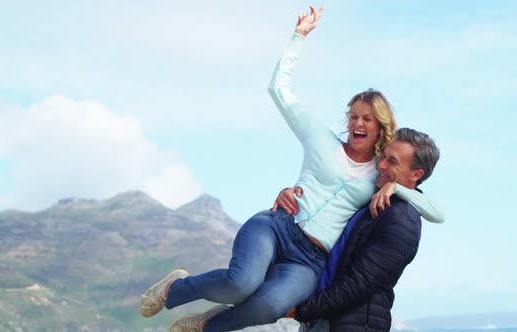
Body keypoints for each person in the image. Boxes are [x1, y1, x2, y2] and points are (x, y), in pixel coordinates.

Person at [140, 6, 443, 332]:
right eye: (353, 115)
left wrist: (396, 188)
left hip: (311, 259)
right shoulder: (321, 139)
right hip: (279, 225)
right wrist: (298, 37)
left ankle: (206, 326)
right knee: (241, 283)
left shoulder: (381, 173)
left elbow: (436, 212)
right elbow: (279, 91)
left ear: (379, 124)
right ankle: (175, 288)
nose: (357, 123)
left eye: (366, 118)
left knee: (272, 305)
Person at [287, 128, 441, 332]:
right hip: (323, 320)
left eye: (392, 161)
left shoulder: (402, 219)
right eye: (383, 157)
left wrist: (299, 311)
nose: (382, 165)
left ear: (417, 174)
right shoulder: (375, 202)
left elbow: (358, 284)